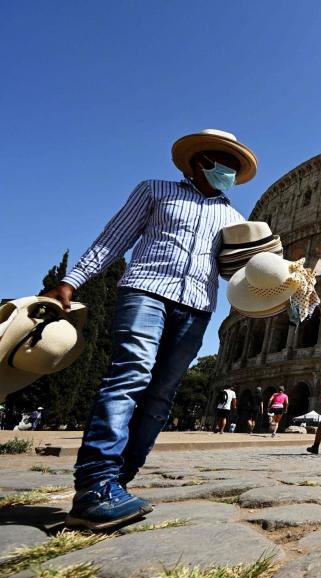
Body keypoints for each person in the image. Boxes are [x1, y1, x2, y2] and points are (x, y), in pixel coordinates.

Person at [41, 129, 257, 530]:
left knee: (160, 396)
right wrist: (72, 280)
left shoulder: (235, 220)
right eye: (218, 161)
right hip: (145, 290)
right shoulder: (154, 190)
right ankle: (93, 484)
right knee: (131, 374)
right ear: (196, 162)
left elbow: (237, 275)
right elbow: (114, 238)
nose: (226, 171)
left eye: (232, 166)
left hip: (196, 305)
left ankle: (117, 484)